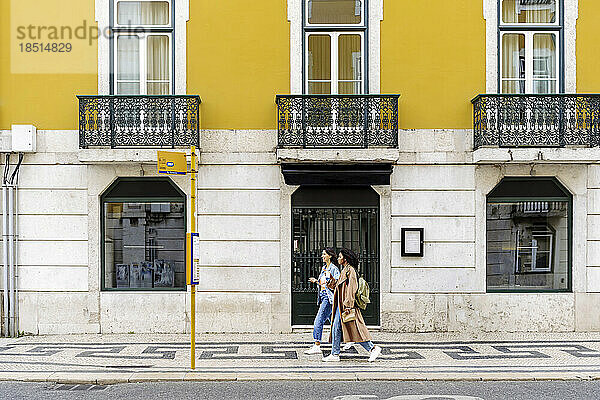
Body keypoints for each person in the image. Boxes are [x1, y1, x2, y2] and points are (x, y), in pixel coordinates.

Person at [323, 248, 382, 362]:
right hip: (341, 305)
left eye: (340, 257)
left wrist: (348, 304)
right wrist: (331, 283)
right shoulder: (345, 269)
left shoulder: (351, 271)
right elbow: (340, 286)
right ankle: (335, 354)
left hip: (346, 305)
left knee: (355, 329)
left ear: (345, 259)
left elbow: (352, 288)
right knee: (337, 327)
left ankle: (373, 348)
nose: (338, 259)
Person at [304, 248, 341, 355]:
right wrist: (316, 281)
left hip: (328, 298)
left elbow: (337, 283)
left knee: (318, 321)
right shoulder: (324, 268)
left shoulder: (334, 269)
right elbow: (323, 283)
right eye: (322, 254)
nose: (322, 256)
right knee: (334, 323)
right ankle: (348, 340)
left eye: (324, 254)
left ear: (330, 256)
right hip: (323, 296)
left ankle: (317, 345)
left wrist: (329, 283)